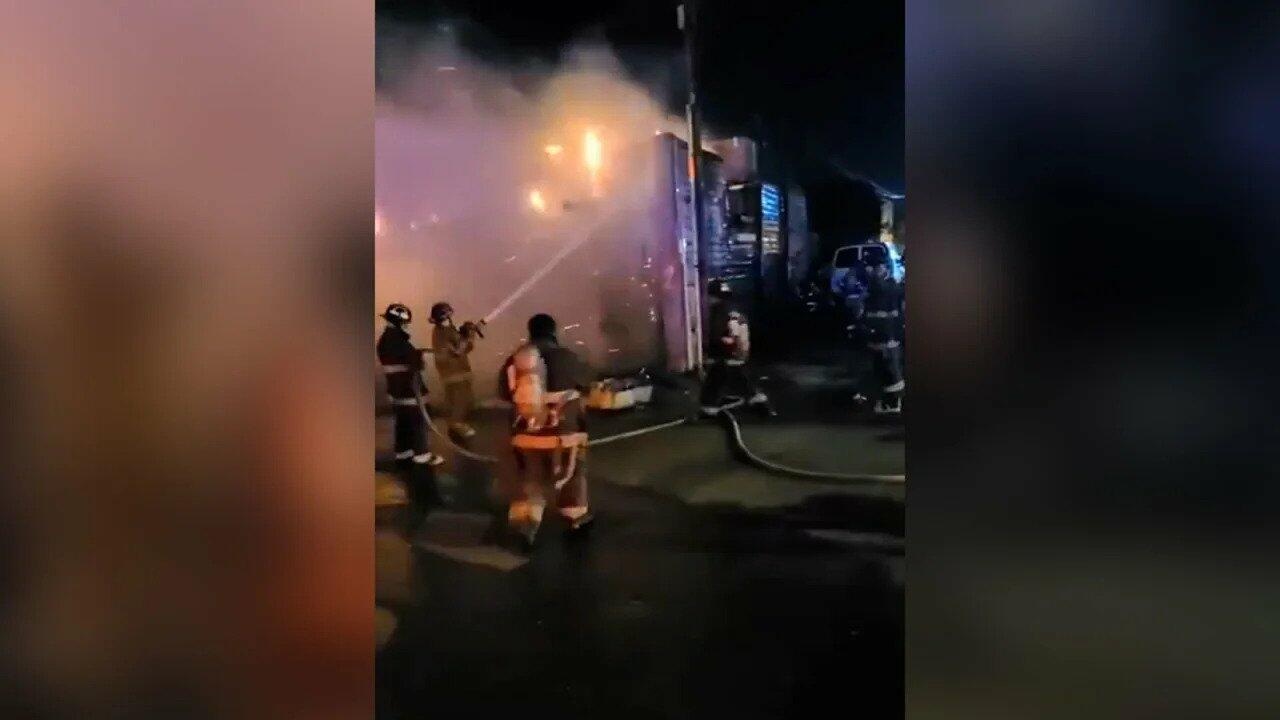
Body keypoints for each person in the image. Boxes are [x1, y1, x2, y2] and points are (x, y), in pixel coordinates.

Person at [503, 313, 594, 548]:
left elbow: (504, 393)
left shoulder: (515, 360)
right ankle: (575, 518)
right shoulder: (568, 357)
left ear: (530, 332)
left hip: (526, 436)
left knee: (529, 480)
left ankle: (525, 525)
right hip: (564, 436)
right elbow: (587, 382)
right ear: (553, 332)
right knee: (573, 475)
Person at [376, 303, 445, 468]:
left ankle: (403, 451)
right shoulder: (399, 341)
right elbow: (414, 363)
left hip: (396, 389)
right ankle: (421, 454)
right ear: (400, 322)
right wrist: (418, 356)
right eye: (405, 323)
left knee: (403, 421)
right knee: (417, 421)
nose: (407, 326)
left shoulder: (384, 340)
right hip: (409, 389)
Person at [700, 279, 771, 416]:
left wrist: (713, 349)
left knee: (717, 377)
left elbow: (724, 336)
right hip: (739, 352)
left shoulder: (721, 311)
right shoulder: (735, 309)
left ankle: (709, 406)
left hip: (729, 353)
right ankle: (757, 400)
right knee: (736, 377)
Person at [428, 301, 479, 439]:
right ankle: (457, 425)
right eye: (447, 315)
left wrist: (469, 335)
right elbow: (457, 351)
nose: (449, 318)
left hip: (459, 371)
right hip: (453, 373)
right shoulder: (440, 333)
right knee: (459, 400)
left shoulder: (449, 330)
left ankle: (455, 426)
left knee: (463, 399)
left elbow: (466, 348)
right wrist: (467, 335)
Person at [861, 257, 905, 414]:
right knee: (885, 369)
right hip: (884, 336)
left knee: (889, 370)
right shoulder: (891, 286)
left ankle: (892, 402)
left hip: (885, 336)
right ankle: (890, 401)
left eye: (877, 268)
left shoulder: (883, 287)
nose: (873, 271)